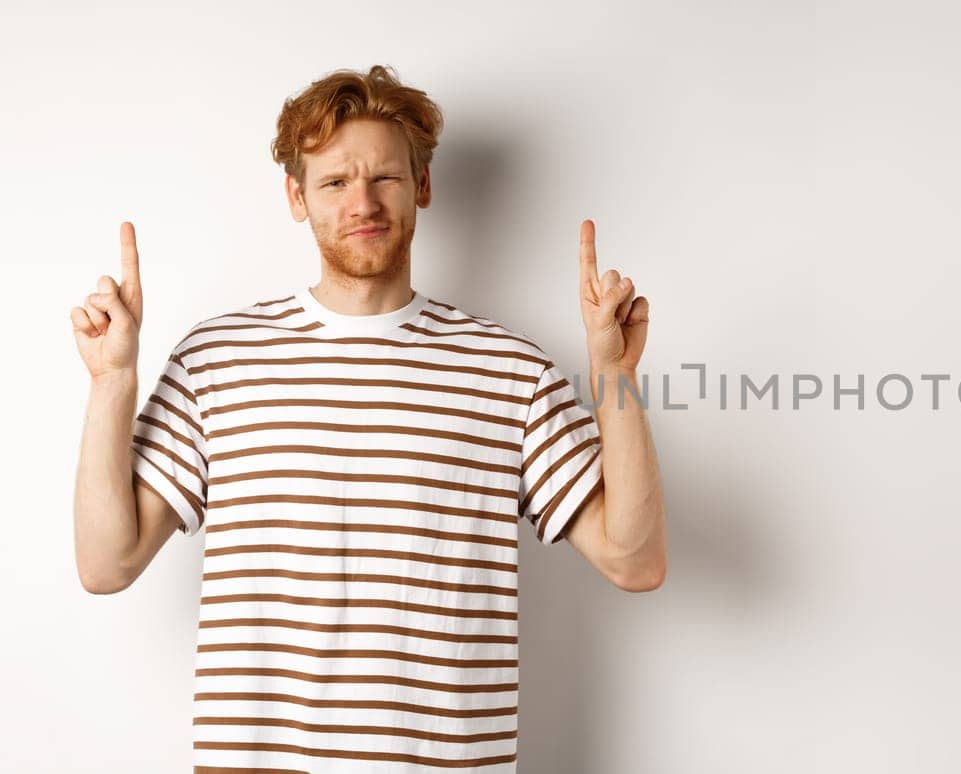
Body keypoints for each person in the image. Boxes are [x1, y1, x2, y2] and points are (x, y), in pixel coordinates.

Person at [68, 65, 667, 772]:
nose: (363, 202)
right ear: (296, 196)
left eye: (384, 177)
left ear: (423, 186)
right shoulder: (216, 361)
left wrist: (614, 379)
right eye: (333, 182)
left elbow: (635, 561)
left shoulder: (511, 371)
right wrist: (112, 383)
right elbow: (106, 564)